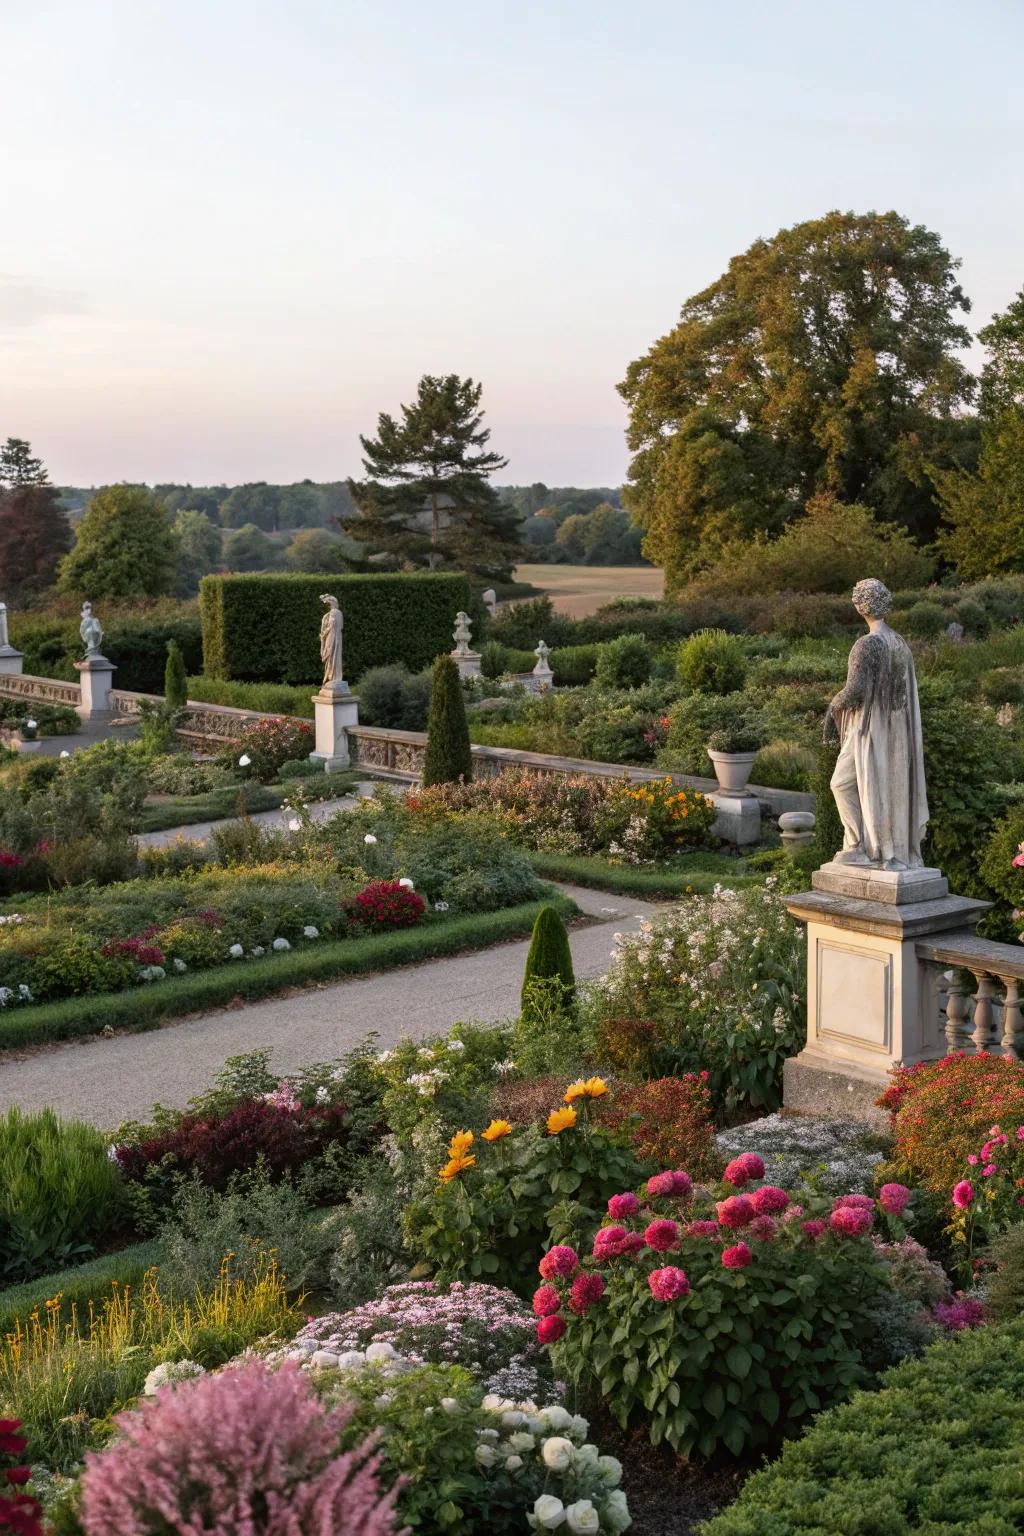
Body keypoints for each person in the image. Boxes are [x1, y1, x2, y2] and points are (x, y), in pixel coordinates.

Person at [824, 578, 928, 869]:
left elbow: (854, 691)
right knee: (885, 788)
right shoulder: (899, 644)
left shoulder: (866, 645)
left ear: (860, 606)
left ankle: (859, 846)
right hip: (896, 731)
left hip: (869, 730)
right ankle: (878, 847)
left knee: (842, 784)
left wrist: (832, 705)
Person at [319, 594, 344, 687]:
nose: (329, 606)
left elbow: (332, 627)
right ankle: (332, 676)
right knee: (332, 656)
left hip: (333, 636)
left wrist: (323, 635)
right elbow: (340, 626)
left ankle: (332, 676)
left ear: (333, 603)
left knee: (331, 655)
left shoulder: (334, 612)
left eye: (329, 603)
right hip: (335, 636)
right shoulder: (336, 613)